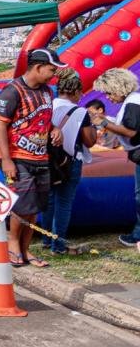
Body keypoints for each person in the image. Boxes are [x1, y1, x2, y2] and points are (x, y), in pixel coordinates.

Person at [0, 48, 64, 268]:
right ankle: (12, 243)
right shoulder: (12, 91)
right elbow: (0, 124)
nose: (54, 74)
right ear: (38, 67)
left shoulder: (47, 92)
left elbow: (43, 119)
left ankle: (25, 249)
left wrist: (55, 129)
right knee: (22, 204)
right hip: (17, 156)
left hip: (40, 156)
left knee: (36, 206)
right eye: (52, 69)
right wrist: (6, 160)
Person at [44, 69, 97, 255]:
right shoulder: (80, 112)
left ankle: (45, 238)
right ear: (75, 92)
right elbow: (89, 141)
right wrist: (95, 126)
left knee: (50, 200)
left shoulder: (48, 106)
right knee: (64, 203)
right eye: (80, 92)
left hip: (48, 160)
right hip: (69, 162)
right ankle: (58, 246)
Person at [92, 67, 140, 250]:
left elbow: (130, 130)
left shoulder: (133, 103)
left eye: (109, 93)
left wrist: (104, 122)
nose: (108, 98)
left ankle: (137, 235)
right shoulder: (132, 102)